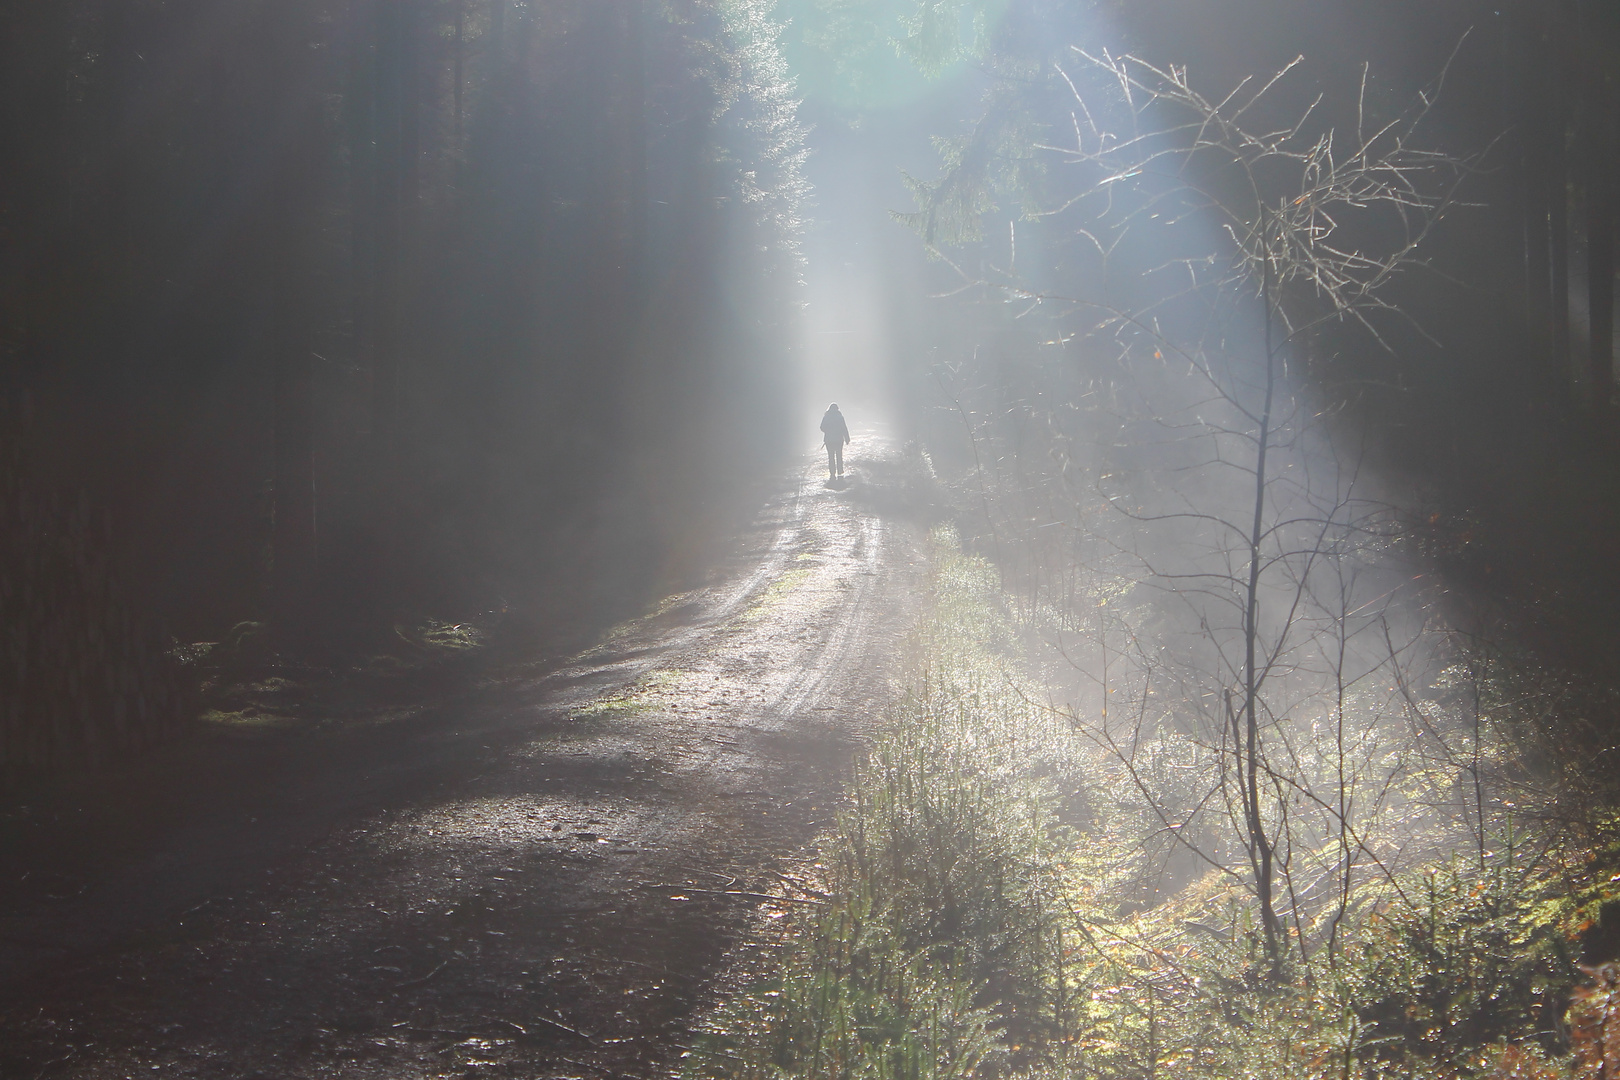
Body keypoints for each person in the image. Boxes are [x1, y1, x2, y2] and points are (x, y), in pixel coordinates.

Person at [819, 403, 850, 478]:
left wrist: (828, 431)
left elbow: (822, 427)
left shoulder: (826, 417)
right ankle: (840, 470)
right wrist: (847, 438)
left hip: (829, 440)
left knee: (831, 456)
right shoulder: (840, 417)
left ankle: (832, 471)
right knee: (839, 455)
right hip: (839, 439)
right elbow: (844, 428)